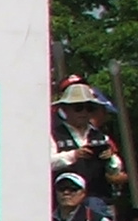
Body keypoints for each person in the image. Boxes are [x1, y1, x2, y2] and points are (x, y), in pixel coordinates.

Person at [53, 79, 127, 209]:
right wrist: (74, 155)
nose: (84, 113)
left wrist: (109, 158)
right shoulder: (53, 134)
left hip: (98, 201)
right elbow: (45, 164)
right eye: (78, 108)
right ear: (65, 109)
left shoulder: (101, 136)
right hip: (64, 203)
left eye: (89, 108)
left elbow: (116, 170)